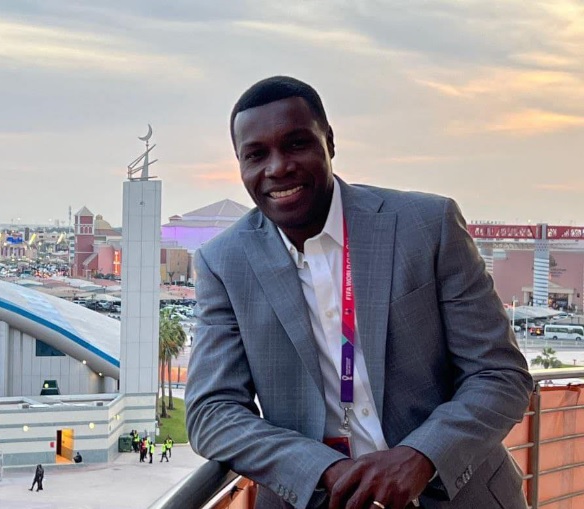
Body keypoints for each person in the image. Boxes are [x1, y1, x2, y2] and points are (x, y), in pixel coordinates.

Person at [185, 76, 533, 509]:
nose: (277, 168)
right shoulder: (224, 262)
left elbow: (499, 374)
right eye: (256, 155)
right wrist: (323, 470)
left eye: (296, 144)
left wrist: (420, 457)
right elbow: (212, 412)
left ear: (329, 142)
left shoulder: (427, 226)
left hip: (457, 496)